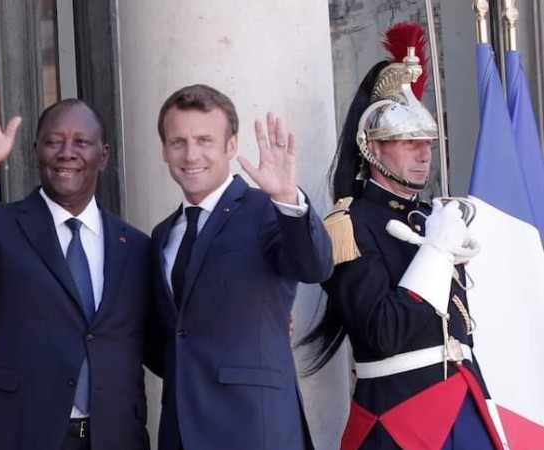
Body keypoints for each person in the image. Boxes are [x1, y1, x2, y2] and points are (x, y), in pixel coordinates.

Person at [300, 23, 505, 450]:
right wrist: (433, 253)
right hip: (398, 418)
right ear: (371, 148)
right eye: (407, 141)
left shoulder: (432, 216)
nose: (423, 153)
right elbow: (382, 333)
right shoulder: (349, 224)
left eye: (427, 141)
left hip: (464, 402)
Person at [0, 86, 152, 450]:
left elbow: (162, 341)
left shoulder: (137, 246)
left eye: (81, 142)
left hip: (112, 437)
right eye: (53, 141)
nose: (67, 152)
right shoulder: (0, 224)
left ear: (104, 154)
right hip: (16, 432)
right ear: (36, 151)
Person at [149, 84, 333, 450]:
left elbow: (314, 267)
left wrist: (287, 199)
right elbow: (170, 339)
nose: (191, 154)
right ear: (164, 152)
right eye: (178, 142)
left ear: (231, 146)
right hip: (181, 431)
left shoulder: (266, 211)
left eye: (205, 140)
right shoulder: (162, 235)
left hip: (254, 427)